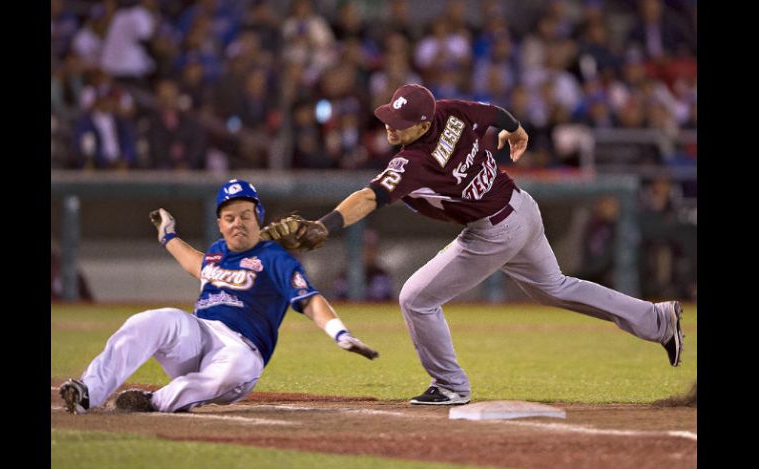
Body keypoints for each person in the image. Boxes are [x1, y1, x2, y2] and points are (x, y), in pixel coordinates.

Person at [261, 83, 683, 406]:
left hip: (493, 230)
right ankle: (657, 319)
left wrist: (325, 224)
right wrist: (516, 132)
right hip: (520, 207)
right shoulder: (450, 111)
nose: (391, 124)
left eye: (400, 120)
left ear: (424, 125)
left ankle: (449, 386)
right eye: (390, 115)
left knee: (416, 298)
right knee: (555, 287)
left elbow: (369, 197)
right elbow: (496, 113)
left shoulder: (414, 161)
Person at [59, 179, 378, 414]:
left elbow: (309, 299)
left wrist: (340, 333)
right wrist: (167, 235)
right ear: (220, 224)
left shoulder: (275, 258)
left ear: (258, 218)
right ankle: (89, 391)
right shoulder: (215, 253)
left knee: (233, 367)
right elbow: (193, 263)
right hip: (199, 336)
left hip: (242, 350)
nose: (237, 222)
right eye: (230, 217)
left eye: (245, 215)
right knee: (152, 320)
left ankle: (153, 402)